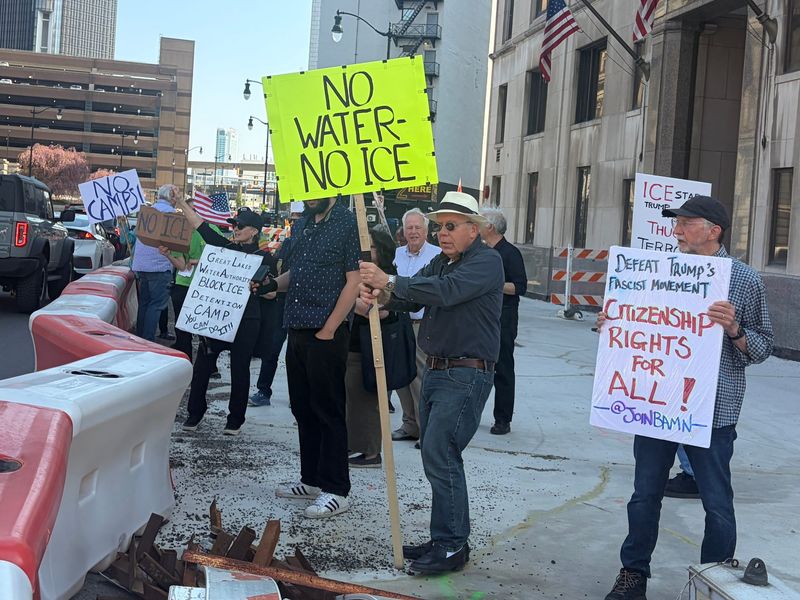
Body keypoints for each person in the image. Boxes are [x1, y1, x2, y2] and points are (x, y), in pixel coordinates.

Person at [601, 196, 773, 600]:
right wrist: (614, 322)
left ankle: (713, 581)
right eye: (675, 223)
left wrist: (733, 329)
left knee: (717, 504)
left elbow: (763, 347)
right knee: (644, 495)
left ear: (714, 230)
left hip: (713, 410)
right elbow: (642, 326)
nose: (675, 230)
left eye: (685, 223)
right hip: (656, 404)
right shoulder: (656, 272)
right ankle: (633, 575)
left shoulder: (744, 280)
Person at [360, 191, 503, 575]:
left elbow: (445, 292)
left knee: (441, 452)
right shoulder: (442, 262)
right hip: (440, 370)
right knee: (436, 453)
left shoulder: (487, 262)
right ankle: (445, 538)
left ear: (475, 230)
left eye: (451, 226)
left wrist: (388, 280)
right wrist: (383, 294)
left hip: (466, 372)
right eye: (440, 225)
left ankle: (453, 544)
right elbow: (412, 294)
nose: (443, 233)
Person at [263, 197, 361, 519]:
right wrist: (273, 286)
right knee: (302, 407)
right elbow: (297, 272)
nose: (307, 197)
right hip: (298, 327)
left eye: (312, 191)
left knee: (328, 410)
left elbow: (353, 280)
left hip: (325, 331)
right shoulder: (305, 224)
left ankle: (336, 489)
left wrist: (330, 328)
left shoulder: (346, 222)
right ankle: (312, 480)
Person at [173, 202, 277, 436]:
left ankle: (235, 420)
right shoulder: (225, 248)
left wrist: (260, 287)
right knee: (202, 367)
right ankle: (194, 413)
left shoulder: (266, 258)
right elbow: (201, 226)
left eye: (240, 226)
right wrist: (180, 202)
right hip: (216, 318)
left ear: (254, 231)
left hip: (247, 320)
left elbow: (272, 292)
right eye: (234, 225)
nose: (235, 229)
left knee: (240, 370)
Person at [346, 227, 397, 468]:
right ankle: (355, 444)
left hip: (373, 347)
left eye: (371, 247)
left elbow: (381, 311)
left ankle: (371, 452)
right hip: (353, 343)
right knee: (353, 399)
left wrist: (350, 301)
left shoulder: (386, 276)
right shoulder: (359, 274)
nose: (364, 252)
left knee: (370, 402)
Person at [391, 208, 441, 445]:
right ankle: (409, 424)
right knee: (401, 376)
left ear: (427, 230)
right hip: (399, 323)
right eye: (409, 227)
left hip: (423, 325)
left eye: (418, 228)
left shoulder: (437, 255)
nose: (413, 232)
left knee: (421, 379)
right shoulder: (397, 254)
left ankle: (426, 430)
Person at [479, 207, 528, 435]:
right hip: (480, 317)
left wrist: (492, 284)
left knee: (503, 368)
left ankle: (502, 419)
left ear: (490, 226)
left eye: (479, 222)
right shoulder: (479, 251)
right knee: (477, 367)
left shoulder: (510, 253)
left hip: (504, 318)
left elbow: (520, 287)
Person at [132, 184, 179, 342]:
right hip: (159, 265)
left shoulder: (147, 212)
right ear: (172, 198)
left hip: (141, 265)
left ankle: (140, 337)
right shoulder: (172, 215)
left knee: (144, 303)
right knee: (156, 304)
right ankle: (148, 339)